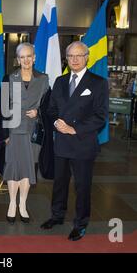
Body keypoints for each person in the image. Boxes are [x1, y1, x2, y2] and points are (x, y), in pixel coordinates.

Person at [41, 41, 109, 241]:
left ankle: (81, 224)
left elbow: (100, 116)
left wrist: (74, 128)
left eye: (79, 55)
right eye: (71, 56)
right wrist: (56, 123)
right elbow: (51, 109)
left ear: (87, 57)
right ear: (67, 58)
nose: (75, 59)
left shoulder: (98, 82)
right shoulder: (60, 81)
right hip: (61, 141)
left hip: (83, 143)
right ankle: (57, 215)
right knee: (59, 183)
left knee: (82, 186)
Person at [0, 43, 49, 223]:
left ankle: (22, 204)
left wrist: (39, 113)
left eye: (29, 56)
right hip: (14, 131)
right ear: (18, 59)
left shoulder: (44, 78)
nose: (26, 60)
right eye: (22, 57)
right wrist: (5, 134)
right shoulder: (9, 78)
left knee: (28, 169)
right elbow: (3, 107)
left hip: (32, 130)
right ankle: (12, 204)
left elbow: (49, 104)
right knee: (13, 167)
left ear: (34, 57)